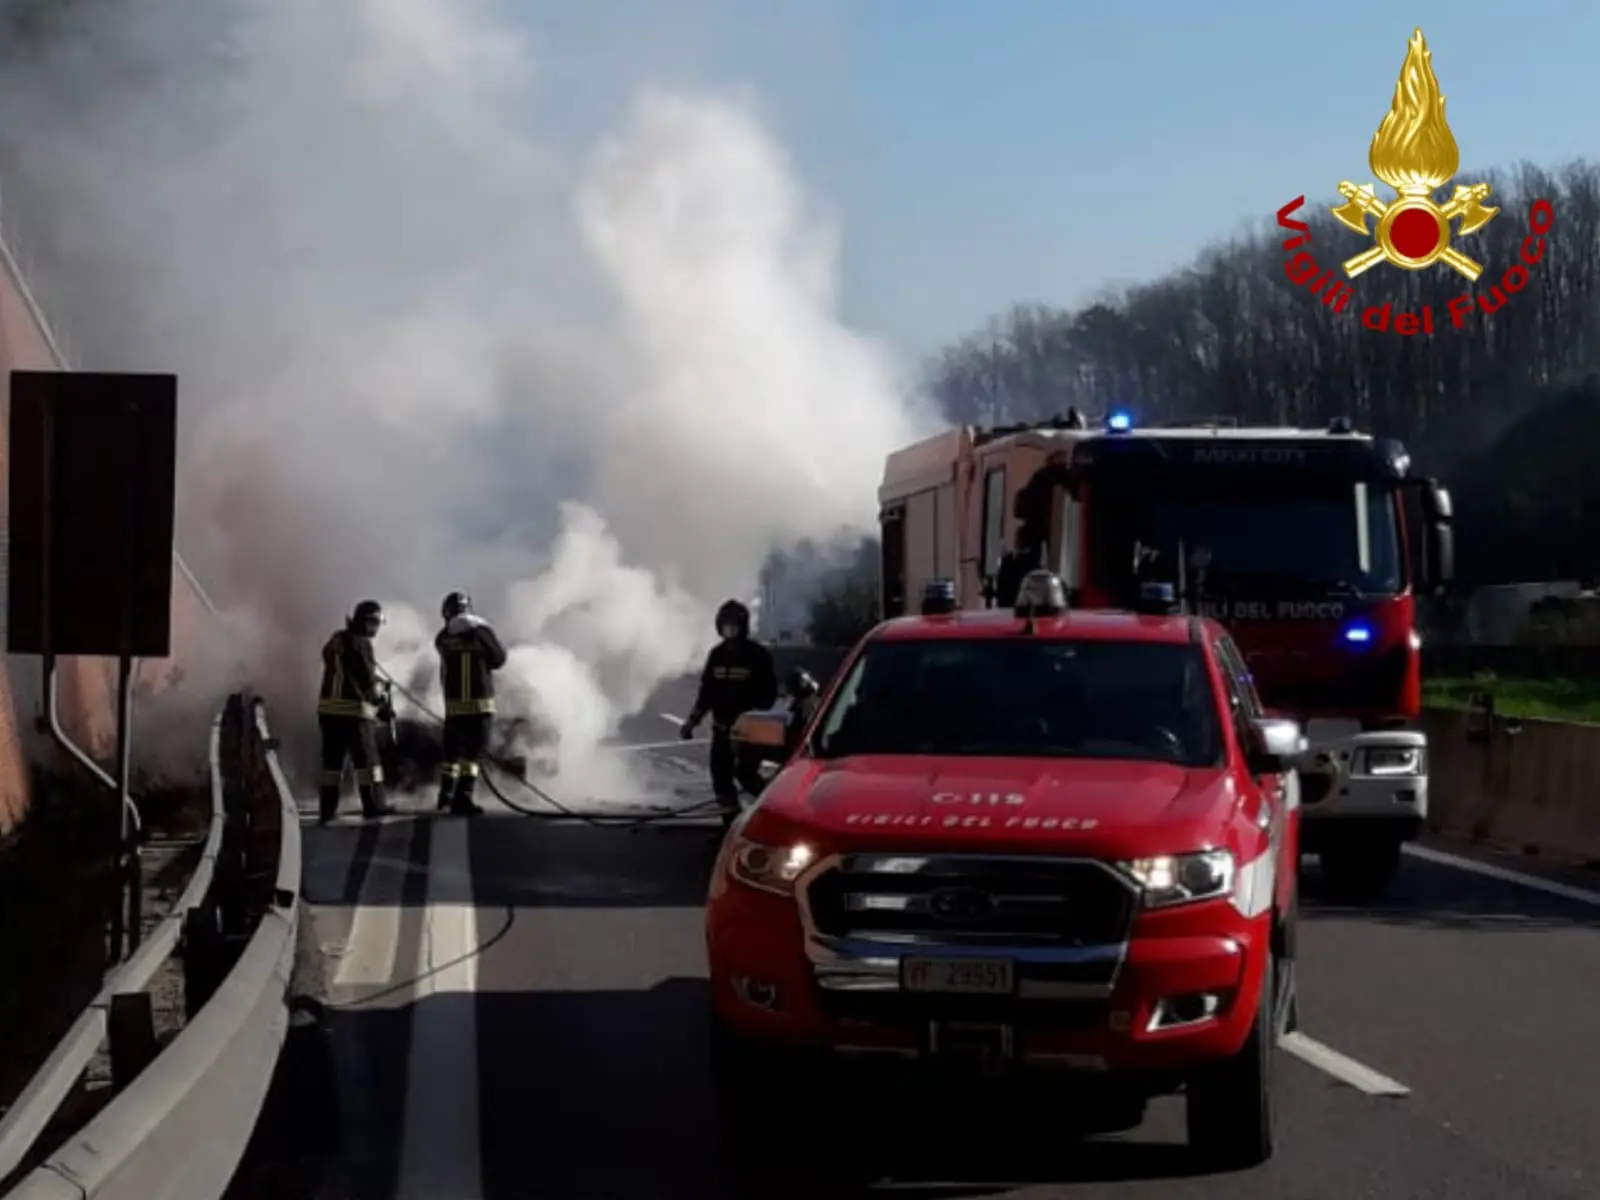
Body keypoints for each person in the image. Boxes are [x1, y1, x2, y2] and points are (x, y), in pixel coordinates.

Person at [681, 599, 777, 821]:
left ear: (743, 625)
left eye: (734, 623)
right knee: (721, 778)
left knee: (745, 775)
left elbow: (769, 695)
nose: (729, 628)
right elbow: (706, 694)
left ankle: (774, 812)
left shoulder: (758, 656)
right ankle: (730, 824)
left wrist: (749, 720)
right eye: (725, 623)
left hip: (749, 733)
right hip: (722, 730)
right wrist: (691, 722)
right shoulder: (717, 655)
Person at [316, 599, 396, 823]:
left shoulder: (337, 639)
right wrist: (382, 706)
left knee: (332, 764)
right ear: (367, 622)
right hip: (353, 713)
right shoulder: (362, 644)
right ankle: (375, 805)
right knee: (367, 763)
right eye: (376, 624)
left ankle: (327, 810)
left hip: (327, 712)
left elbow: (346, 671)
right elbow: (366, 680)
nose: (377, 629)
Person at [434, 590, 508, 816]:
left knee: (452, 755)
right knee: (472, 756)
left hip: (454, 707)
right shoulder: (481, 631)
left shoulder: (442, 637)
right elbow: (499, 658)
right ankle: (463, 797)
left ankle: (445, 796)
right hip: (479, 705)